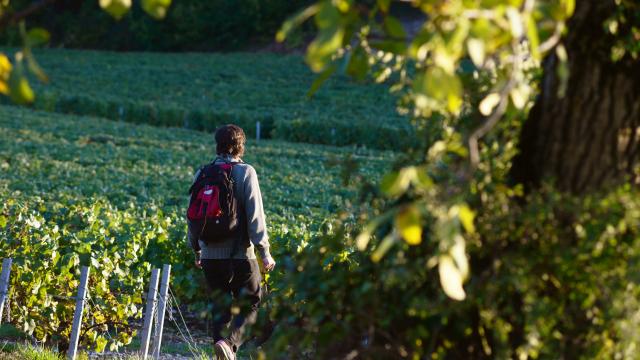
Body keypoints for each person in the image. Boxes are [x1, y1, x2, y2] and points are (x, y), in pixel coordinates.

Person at [187, 124, 276, 360]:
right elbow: (255, 214)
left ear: (217, 145)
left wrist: (196, 248)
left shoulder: (203, 173)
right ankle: (229, 343)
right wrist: (264, 251)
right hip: (240, 255)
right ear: (241, 146)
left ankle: (221, 345)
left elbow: (192, 216)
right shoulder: (246, 172)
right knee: (252, 302)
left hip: (209, 255)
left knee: (219, 306)